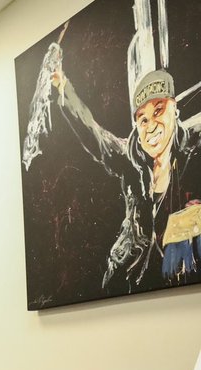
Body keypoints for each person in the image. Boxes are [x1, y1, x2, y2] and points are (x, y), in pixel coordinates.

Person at [46, 64, 201, 287]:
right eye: (143, 120)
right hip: (127, 277)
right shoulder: (130, 159)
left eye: (158, 111)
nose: (151, 126)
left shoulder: (193, 152)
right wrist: (64, 89)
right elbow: (96, 135)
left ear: (174, 109)